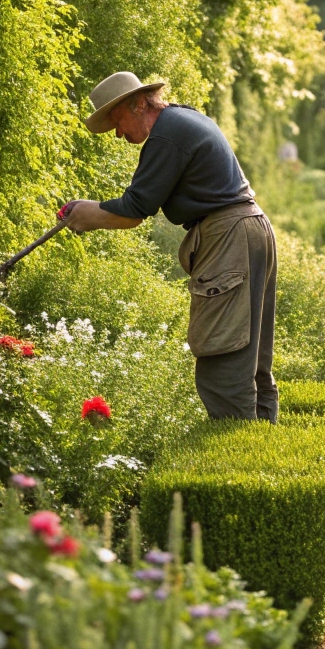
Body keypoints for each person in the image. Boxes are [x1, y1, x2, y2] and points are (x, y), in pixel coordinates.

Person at [63, 71, 278, 423]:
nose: (118, 133)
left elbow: (135, 209)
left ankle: (238, 457)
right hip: (250, 228)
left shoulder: (166, 134)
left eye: (117, 121)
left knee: (223, 361)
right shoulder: (185, 118)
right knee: (251, 359)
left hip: (229, 237)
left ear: (136, 104)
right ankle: (264, 453)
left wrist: (88, 212)